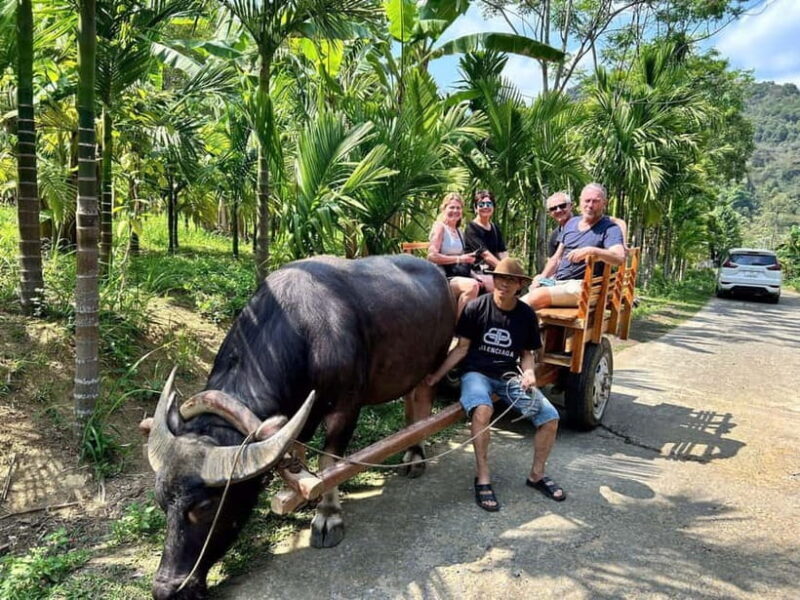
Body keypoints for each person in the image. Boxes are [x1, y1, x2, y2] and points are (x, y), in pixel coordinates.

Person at [425, 257, 565, 511]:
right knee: (483, 409)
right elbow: (461, 349)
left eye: (511, 280)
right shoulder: (475, 308)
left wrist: (530, 373)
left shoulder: (525, 315)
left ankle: (536, 475)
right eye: (500, 278)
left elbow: (527, 354)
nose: (504, 284)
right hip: (476, 374)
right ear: (494, 280)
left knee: (550, 417)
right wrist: (436, 376)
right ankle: (483, 476)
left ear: (519, 285)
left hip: (508, 377)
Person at [523, 183, 625, 311]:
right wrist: (542, 278)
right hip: (558, 282)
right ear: (580, 202)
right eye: (587, 201)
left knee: (535, 298)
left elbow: (619, 257)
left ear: (604, 203)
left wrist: (591, 251)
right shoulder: (571, 223)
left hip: (584, 286)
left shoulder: (610, 228)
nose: (590, 205)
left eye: (596, 201)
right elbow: (556, 258)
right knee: (523, 295)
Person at [427, 192, 480, 319]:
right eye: (451, 207)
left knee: (487, 283)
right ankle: (458, 328)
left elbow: (463, 261)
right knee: (471, 286)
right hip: (441, 276)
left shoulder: (459, 232)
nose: (455, 211)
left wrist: (474, 274)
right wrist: (459, 258)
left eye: (458, 208)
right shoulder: (440, 227)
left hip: (458, 274)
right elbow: (431, 256)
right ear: (444, 209)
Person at [464, 189, 508, 292]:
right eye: (481, 204)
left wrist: (509, 268)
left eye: (489, 204)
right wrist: (505, 271)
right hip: (477, 271)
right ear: (475, 208)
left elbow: (502, 252)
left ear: (493, 207)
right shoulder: (471, 228)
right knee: (502, 288)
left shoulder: (495, 228)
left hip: (494, 270)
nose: (485, 207)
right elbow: (486, 255)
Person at [545, 191, 574, 258]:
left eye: (562, 206)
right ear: (550, 213)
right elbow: (553, 262)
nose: (558, 210)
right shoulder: (554, 236)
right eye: (553, 208)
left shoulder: (585, 227)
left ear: (571, 206)